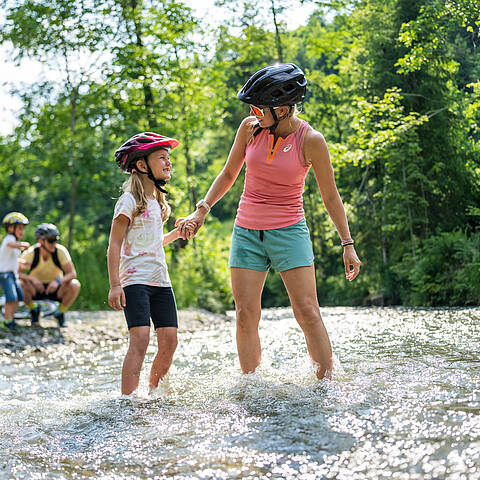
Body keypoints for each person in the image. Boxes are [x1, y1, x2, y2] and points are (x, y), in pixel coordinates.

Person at [179, 63, 361, 380]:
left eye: (258, 107)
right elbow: (228, 174)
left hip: (290, 231)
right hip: (247, 232)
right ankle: (253, 386)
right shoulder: (250, 129)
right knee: (245, 314)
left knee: (307, 312)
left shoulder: (311, 140)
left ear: (281, 108)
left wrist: (348, 244)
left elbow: (330, 197)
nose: (253, 112)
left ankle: (328, 385)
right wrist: (202, 209)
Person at [108, 132, 195, 396]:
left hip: (160, 281)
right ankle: (128, 400)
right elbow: (114, 244)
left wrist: (176, 234)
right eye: (161, 158)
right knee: (141, 340)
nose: (168, 163)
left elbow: (153, 242)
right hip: (134, 281)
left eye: (169, 158)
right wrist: (115, 284)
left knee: (169, 340)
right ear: (142, 165)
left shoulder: (157, 202)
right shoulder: (128, 201)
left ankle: (154, 392)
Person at [19, 223, 81, 327]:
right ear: (40, 241)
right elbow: (17, 273)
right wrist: (32, 279)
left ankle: (59, 314)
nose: (54, 243)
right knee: (20, 283)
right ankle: (34, 310)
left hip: (56, 289)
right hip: (35, 289)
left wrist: (58, 282)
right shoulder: (31, 253)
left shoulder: (60, 251)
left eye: (56, 239)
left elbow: (72, 273)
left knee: (75, 284)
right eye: (51, 240)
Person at [0, 212, 30, 331]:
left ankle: (10, 318)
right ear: (11, 228)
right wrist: (23, 245)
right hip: (5, 274)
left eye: (23, 229)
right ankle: (7, 321)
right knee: (11, 297)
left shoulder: (15, 244)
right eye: (20, 228)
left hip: (13, 274)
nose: (22, 231)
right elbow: (11, 244)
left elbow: (12, 258)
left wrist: (22, 262)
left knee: (19, 297)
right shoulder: (9, 238)